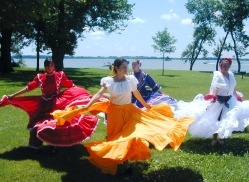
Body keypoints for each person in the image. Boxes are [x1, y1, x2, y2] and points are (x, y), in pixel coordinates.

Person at [51, 57, 193, 175]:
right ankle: (115, 160)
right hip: (114, 113)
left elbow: (136, 93)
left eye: (126, 66)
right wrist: (88, 105)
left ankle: (125, 165)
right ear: (117, 68)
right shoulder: (109, 81)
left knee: (128, 137)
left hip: (129, 111)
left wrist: (146, 105)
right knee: (115, 138)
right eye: (123, 67)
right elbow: (98, 94)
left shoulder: (130, 79)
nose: (126, 69)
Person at [0, 58, 100, 152]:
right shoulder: (40, 77)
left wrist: (80, 90)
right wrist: (13, 95)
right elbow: (28, 88)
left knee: (56, 123)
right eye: (47, 66)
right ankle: (35, 145)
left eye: (51, 66)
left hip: (57, 103)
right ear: (44, 67)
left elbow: (70, 85)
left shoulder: (59, 75)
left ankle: (55, 145)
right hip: (43, 104)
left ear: (54, 66)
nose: (49, 68)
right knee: (37, 122)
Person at [174, 57, 249, 145]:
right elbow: (215, 87)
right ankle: (214, 138)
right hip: (218, 101)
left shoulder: (231, 75)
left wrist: (237, 96)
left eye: (227, 66)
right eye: (224, 66)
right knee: (215, 120)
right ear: (220, 66)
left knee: (226, 119)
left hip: (230, 100)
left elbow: (233, 87)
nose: (225, 67)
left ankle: (222, 137)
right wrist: (213, 97)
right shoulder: (218, 75)